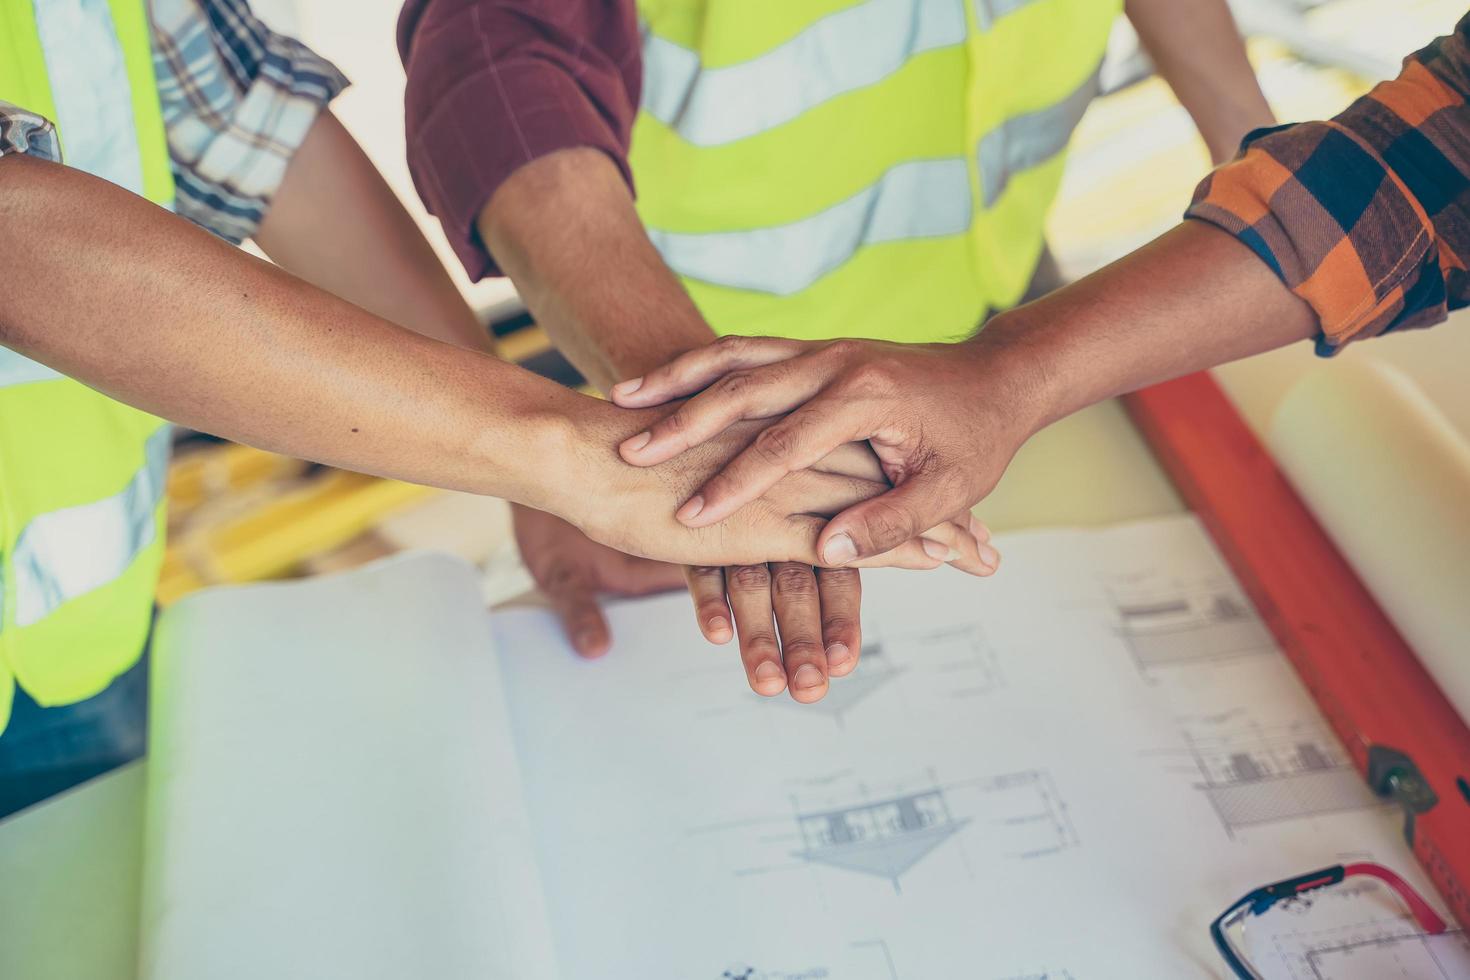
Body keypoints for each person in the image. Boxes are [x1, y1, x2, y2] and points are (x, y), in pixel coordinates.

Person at [0, 0, 958, 815]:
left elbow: (248, 123)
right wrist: (562, 455)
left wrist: (567, 476)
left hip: (74, 625)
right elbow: (17, 236)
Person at [397, 0, 1275, 701]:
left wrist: (1262, 187)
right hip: (701, 343)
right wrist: (700, 406)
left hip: (995, 289)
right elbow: (497, 56)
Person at [610, 12, 1470, 564]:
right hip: (691, 341)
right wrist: (552, 457)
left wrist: (1249, 163)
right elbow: (499, 71)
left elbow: (1431, 166)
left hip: (996, 271)